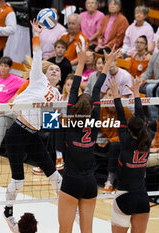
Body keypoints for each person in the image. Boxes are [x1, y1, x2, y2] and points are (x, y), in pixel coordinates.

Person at [3, 20, 62, 224]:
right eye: (51, 69)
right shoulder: (38, 79)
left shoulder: (58, 95)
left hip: (34, 136)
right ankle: (8, 211)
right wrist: (36, 34)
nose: (54, 71)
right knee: (18, 179)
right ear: (45, 73)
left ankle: (68, 206)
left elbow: (51, 124)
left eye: (57, 70)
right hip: (17, 133)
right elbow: (37, 57)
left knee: (54, 175)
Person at [57, 44, 119, 233]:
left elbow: (74, 87)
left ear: (74, 106)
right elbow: (97, 87)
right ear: (93, 108)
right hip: (90, 183)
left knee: (65, 230)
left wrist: (81, 61)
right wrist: (107, 64)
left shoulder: (70, 118)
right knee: (87, 230)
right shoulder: (94, 119)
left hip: (71, 180)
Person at [109, 77, 150, 233]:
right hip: (142, 198)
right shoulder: (147, 140)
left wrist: (116, 95)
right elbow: (141, 117)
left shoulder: (126, 141)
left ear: (129, 130)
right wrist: (136, 94)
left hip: (124, 196)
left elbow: (120, 114)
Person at [99, 88, 132, 194]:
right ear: (104, 97)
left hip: (120, 143)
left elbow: (129, 134)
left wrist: (109, 141)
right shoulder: (100, 109)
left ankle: (110, 180)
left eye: (115, 96)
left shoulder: (125, 111)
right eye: (109, 95)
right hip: (105, 140)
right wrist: (99, 138)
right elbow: (93, 127)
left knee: (115, 146)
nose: (112, 99)